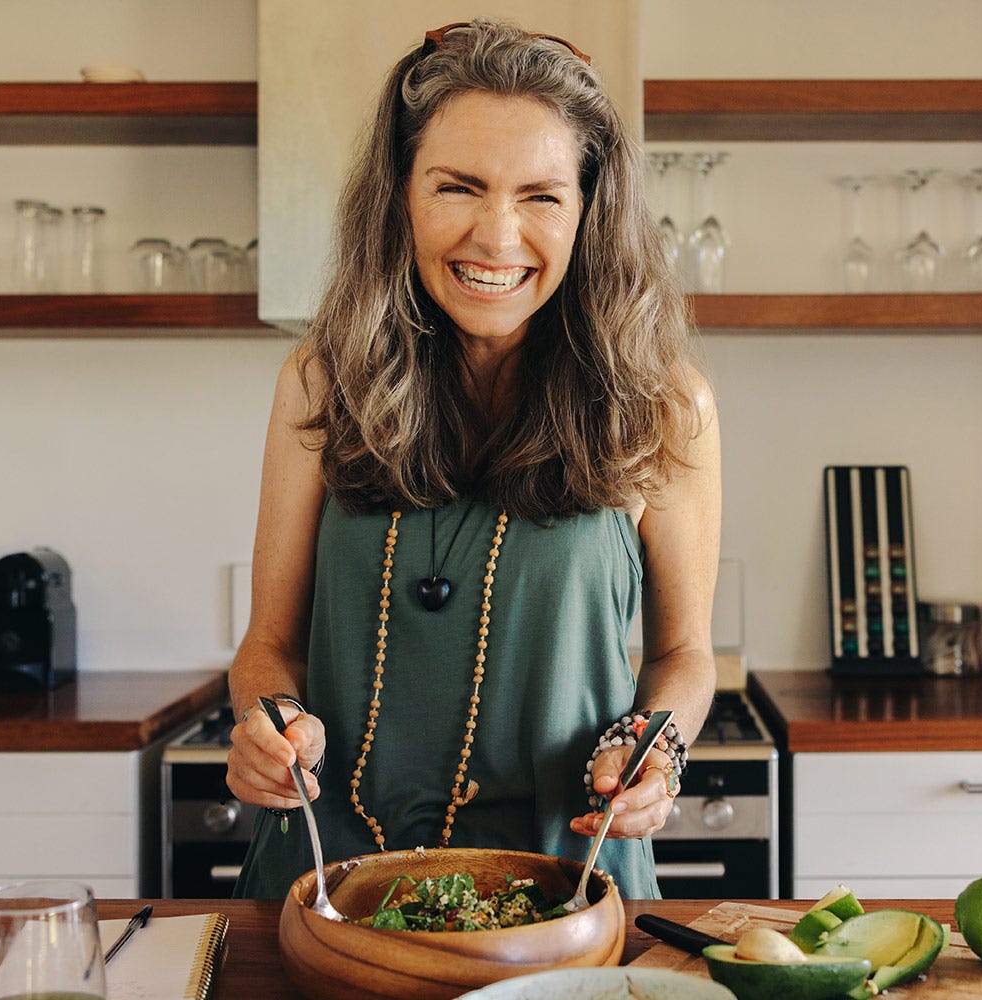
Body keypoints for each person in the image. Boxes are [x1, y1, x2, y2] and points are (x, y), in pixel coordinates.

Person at [226, 17, 720, 901]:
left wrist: (659, 744)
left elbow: (684, 652)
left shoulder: (663, 400)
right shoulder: (318, 381)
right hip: (330, 883)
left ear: (587, 214)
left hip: (567, 884)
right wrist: (268, 722)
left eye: (541, 195)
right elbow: (268, 646)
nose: (498, 236)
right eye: (458, 187)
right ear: (401, 195)